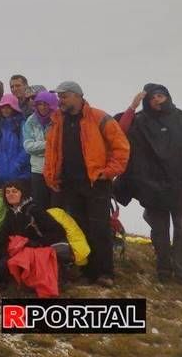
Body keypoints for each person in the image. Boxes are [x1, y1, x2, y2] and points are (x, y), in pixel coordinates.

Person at [43, 81, 129, 287]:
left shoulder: (99, 117)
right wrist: (51, 176)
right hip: (70, 185)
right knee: (79, 229)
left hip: (96, 183)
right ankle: (87, 271)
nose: (60, 101)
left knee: (100, 228)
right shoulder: (58, 121)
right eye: (59, 97)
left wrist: (108, 172)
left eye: (64, 97)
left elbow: (121, 147)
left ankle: (105, 272)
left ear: (77, 96)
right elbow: (51, 151)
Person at [123, 84, 182, 284]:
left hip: (180, 185)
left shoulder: (181, 118)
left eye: (160, 96)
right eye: (151, 98)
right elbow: (120, 133)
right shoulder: (140, 121)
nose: (157, 100)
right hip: (152, 186)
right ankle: (164, 269)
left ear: (167, 96)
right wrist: (132, 107)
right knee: (159, 231)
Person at [0, 179, 70, 287]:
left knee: (6, 265)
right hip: (23, 250)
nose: (11, 194)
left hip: (40, 248)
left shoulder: (34, 210)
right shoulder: (11, 213)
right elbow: (2, 236)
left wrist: (38, 243)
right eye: (7, 192)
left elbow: (59, 232)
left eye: (14, 191)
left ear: (22, 193)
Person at [22, 91, 59, 210]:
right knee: (40, 207)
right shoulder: (30, 121)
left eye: (46, 104)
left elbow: (60, 145)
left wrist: (38, 147)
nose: (42, 107)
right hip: (38, 170)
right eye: (39, 104)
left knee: (57, 207)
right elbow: (28, 146)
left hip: (56, 170)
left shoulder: (58, 119)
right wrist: (49, 144)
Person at [0, 94, 30, 187]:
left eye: (8, 107)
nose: (5, 110)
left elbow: (26, 148)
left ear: (14, 108)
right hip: (0, 175)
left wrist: (17, 165)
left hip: (20, 175)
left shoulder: (22, 124)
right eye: (3, 107)